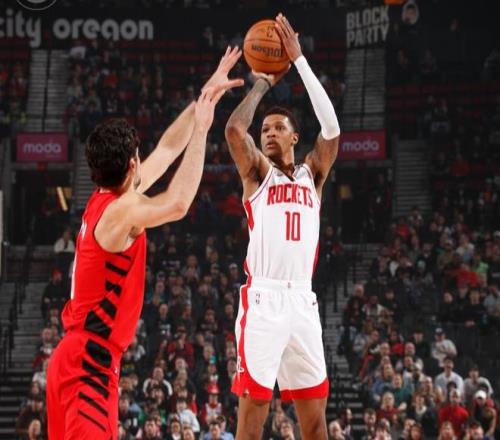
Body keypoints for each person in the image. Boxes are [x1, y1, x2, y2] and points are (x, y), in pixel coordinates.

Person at [46, 48, 243, 440]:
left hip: (77, 358)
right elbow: (179, 202)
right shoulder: (122, 211)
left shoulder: (106, 199)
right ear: (132, 166)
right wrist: (202, 131)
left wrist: (204, 97)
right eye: (138, 157)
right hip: (89, 365)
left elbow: (167, 150)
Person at [224, 14, 340, 440]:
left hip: (303, 302)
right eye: (265, 129)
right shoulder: (258, 174)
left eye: (278, 128)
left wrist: (299, 61)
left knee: (315, 421)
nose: (269, 133)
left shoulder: (314, 174)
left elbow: (332, 128)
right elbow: (235, 129)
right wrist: (262, 84)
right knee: (252, 420)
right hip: (264, 300)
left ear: (294, 137)